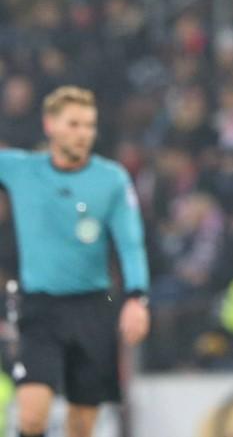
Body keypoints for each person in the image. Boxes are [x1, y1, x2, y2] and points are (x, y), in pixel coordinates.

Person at [0, 86, 150, 437]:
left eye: (89, 125)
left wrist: (136, 298)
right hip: (38, 308)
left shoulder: (111, 179)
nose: (83, 133)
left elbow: (130, 243)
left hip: (92, 308)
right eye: (73, 124)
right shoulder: (21, 169)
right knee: (31, 417)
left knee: (81, 425)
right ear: (50, 125)